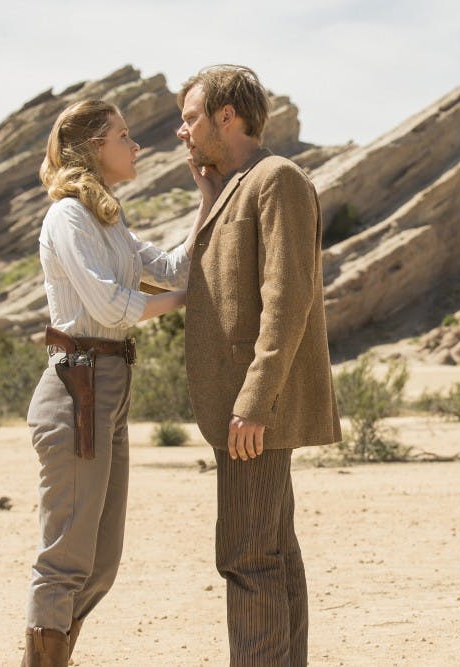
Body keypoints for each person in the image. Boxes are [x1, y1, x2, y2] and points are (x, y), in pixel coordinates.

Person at [22, 99, 217, 666]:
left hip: (108, 383)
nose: (135, 146)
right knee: (66, 559)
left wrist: (206, 201)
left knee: (101, 561)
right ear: (91, 148)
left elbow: (174, 270)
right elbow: (110, 306)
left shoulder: (107, 217)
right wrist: (186, 304)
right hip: (77, 388)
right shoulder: (67, 217)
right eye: (122, 136)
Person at [177, 65, 342, 666]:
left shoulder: (277, 180)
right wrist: (208, 196)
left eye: (192, 117)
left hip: (254, 414)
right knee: (271, 552)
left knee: (248, 556)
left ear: (228, 116)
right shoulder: (237, 185)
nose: (182, 131)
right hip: (245, 411)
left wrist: (252, 403)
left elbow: (287, 299)